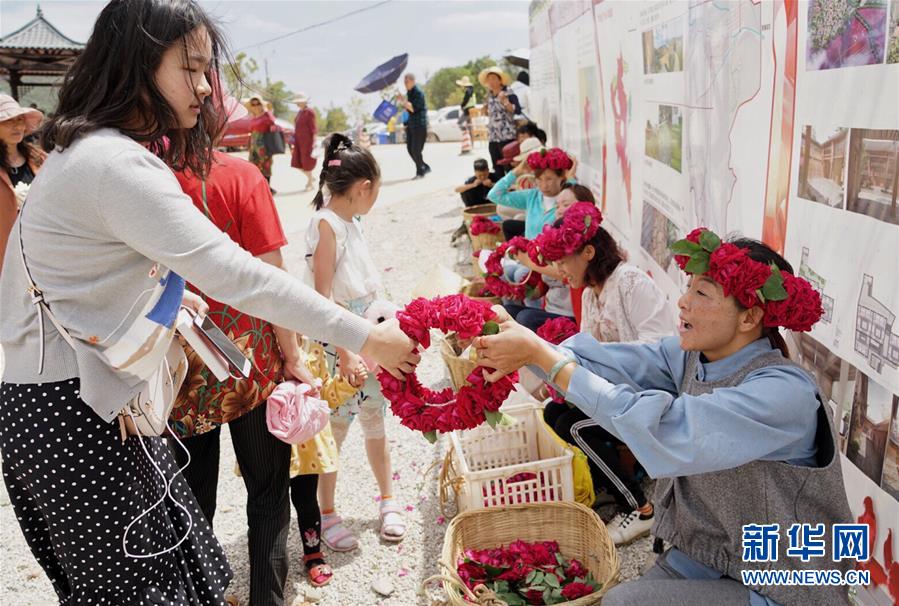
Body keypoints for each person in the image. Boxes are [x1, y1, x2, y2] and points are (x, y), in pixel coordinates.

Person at [0, 2, 418, 604]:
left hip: (57, 411)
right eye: (191, 68)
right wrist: (365, 334)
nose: (205, 88)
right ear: (139, 64)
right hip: (83, 419)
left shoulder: (76, 155)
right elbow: (240, 274)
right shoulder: (115, 163)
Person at [475, 229, 853, 606]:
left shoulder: (784, 393)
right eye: (688, 287)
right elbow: (610, 363)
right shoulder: (690, 356)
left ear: (749, 316)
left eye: (701, 293)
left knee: (624, 603)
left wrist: (544, 359)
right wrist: (528, 344)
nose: (683, 302)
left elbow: (667, 428)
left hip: (787, 580)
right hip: (714, 555)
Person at [170, 148, 333, 602]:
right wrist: (292, 352)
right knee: (267, 494)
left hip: (179, 365)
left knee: (190, 501)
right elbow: (271, 275)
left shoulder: (147, 174)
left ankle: (200, 595)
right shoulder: (241, 175)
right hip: (250, 363)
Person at [538, 202, 677, 545]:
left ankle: (642, 509)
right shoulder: (590, 294)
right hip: (616, 395)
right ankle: (610, 485)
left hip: (649, 396)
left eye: (562, 260)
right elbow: (586, 353)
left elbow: (660, 349)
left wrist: (599, 369)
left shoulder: (630, 282)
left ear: (587, 252)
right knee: (554, 412)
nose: (559, 270)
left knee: (575, 425)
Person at [304, 134, 406, 553]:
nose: (374, 199)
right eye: (376, 191)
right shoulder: (325, 223)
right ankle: (327, 512)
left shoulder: (351, 221)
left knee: (375, 422)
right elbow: (322, 294)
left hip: (368, 333)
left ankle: (388, 500)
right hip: (342, 340)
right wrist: (346, 352)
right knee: (336, 431)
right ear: (364, 187)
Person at [488, 146, 577, 239]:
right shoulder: (532, 196)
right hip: (529, 252)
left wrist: (571, 179)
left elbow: (580, 201)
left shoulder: (568, 200)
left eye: (549, 179)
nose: (544, 185)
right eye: (539, 179)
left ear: (562, 177)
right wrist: (516, 172)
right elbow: (494, 195)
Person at [0, 94, 45, 275]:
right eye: (8, 121)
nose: (17, 126)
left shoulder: (40, 158)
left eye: (19, 120)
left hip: (38, 247)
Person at [479, 66, 520, 175]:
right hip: (493, 136)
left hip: (507, 136)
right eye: (489, 79)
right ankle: (500, 189)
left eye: (493, 78)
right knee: (497, 165)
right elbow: (491, 113)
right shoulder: (489, 95)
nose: (491, 82)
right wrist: (485, 109)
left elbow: (517, 110)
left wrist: (505, 101)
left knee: (509, 166)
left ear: (500, 80)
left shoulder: (508, 92)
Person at [397, 73, 429, 179]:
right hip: (411, 125)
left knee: (416, 150)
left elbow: (413, 108)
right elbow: (408, 109)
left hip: (420, 124)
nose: (405, 84)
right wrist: (402, 100)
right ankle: (424, 166)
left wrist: (403, 100)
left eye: (406, 81)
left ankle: (420, 171)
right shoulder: (409, 93)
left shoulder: (418, 92)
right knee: (410, 149)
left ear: (412, 81)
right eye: (404, 82)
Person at [247, 93, 277, 192]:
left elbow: (273, 122)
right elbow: (251, 131)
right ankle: (262, 188)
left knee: (265, 166)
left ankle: (267, 189)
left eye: (258, 104)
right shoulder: (253, 116)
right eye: (253, 104)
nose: (256, 106)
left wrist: (267, 110)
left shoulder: (267, 114)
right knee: (254, 166)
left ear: (262, 104)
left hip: (264, 143)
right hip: (254, 144)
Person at [291, 93, 317, 191]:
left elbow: (313, 128)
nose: (297, 103)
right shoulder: (299, 112)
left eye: (299, 101)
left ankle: (310, 182)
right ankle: (310, 177)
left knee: (306, 163)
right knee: (296, 162)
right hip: (298, 141)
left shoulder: (309, 112)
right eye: (296, 102)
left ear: (305, 101)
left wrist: (314, 142)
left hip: (307, 142)